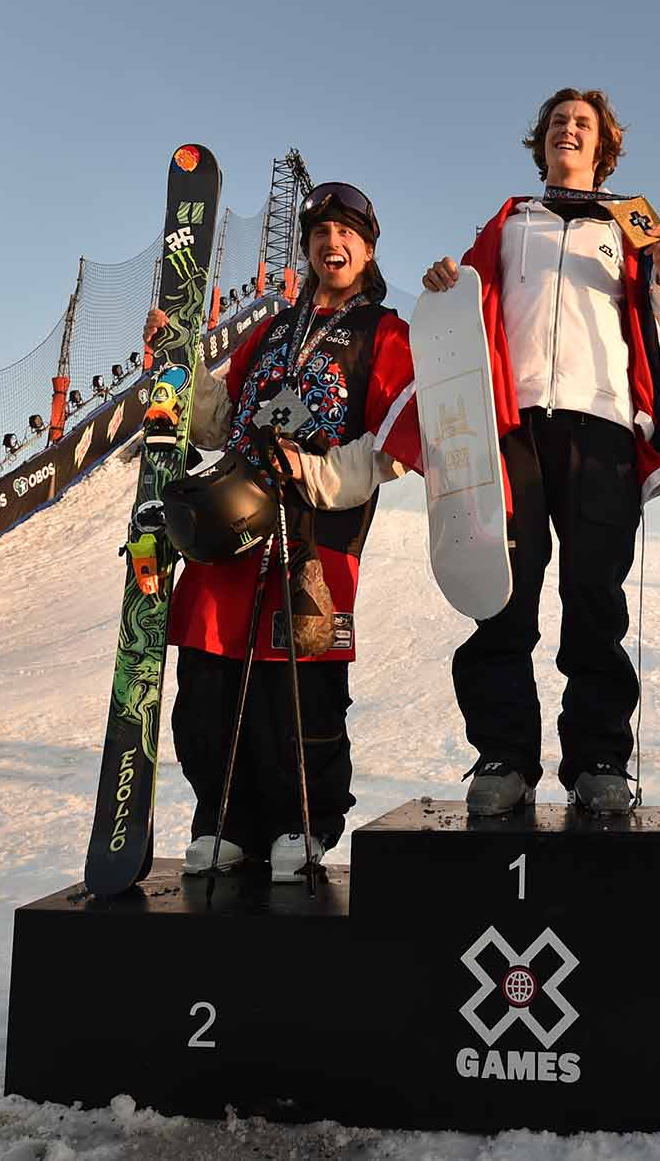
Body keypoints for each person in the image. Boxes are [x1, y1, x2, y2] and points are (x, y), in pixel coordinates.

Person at [420, 88, 660, 816]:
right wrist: (446, 286)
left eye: (584, 124)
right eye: (559, 122)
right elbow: (468, 305)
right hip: (514, 424)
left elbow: (659, 329)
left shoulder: (631, 224)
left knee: (595, 596)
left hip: (601, 424)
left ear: (604, 147)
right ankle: (504, 754)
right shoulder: (511, 220)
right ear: (541, 142)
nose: (569, 129)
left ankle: (599, 756)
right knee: (504, 590)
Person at [152, 181, 419, 882]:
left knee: (299, 692)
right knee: (208, 686)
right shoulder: (271, 330)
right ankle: (223, 822)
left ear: (368, 250)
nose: (333, 244)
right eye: (321, 233)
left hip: (314, 534)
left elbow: (393, 446)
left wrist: (314, 470)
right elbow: (218, 421)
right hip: (231, 530)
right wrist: (180, 361)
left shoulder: (386, 334)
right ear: (307, 247)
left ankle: (304, 821)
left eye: (348, 234)